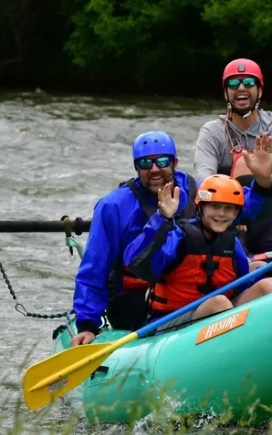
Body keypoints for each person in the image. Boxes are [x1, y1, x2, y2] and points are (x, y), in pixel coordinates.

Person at [70, 131, 199, 346]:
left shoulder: (193, 190)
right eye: (146, 163)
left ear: (175, 162)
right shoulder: (114, 206)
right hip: (132, 298)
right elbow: (95, 266)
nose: (155, 169)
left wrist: (263, 186)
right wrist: (87, 325)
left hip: (187, 288)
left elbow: (233, 209)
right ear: (136, 167)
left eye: (163, 161)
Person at [125, 173, 272, 327]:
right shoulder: (178, 235)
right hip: (171, 322)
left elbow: (243, 283)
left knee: (269, 285)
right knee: (218, 303)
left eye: (228, 208)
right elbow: (138, 262)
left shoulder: (232, 244)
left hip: (219, 320)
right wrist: (163, 219)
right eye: (215, 206)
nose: (221, 214)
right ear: (201, 207)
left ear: (236, 214)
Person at [194, 57, 272, 255]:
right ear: (226, 92)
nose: (241, 88)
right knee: (232, 253)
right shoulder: (213, 132)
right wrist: (233, 215)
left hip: (267, 220)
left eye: (249, 83)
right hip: (225, 219)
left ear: (259, 91)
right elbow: (204, 177)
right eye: (233, 83)